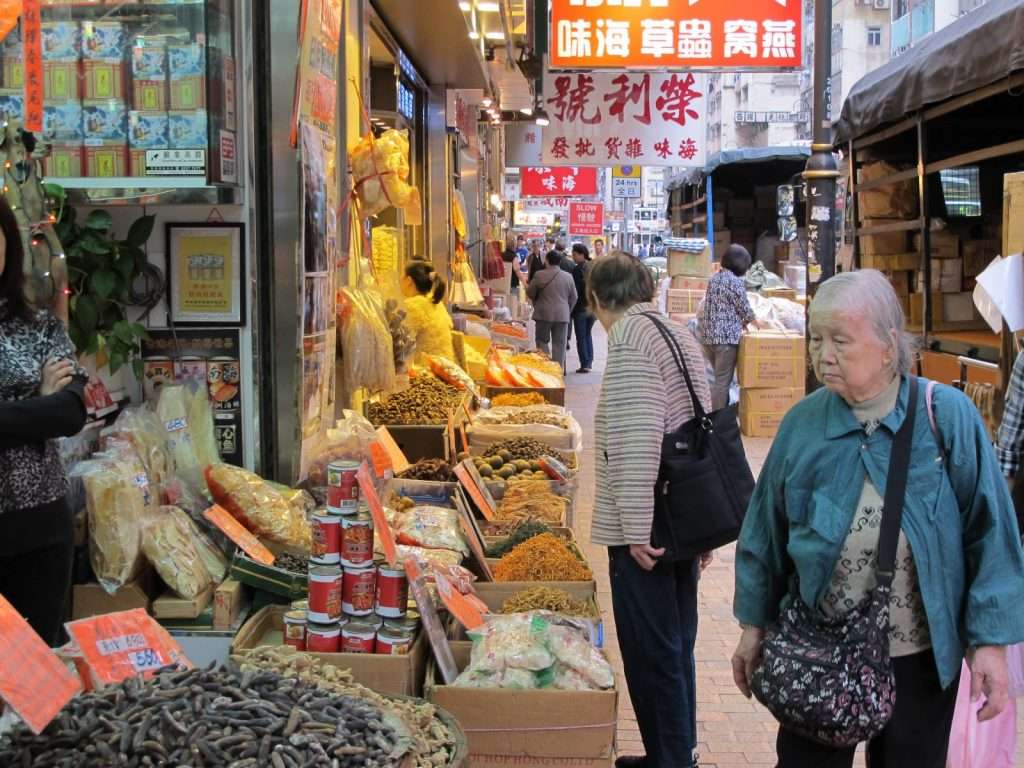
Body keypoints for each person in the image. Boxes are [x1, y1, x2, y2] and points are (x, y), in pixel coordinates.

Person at [731, 269, 1024, 768]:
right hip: (817, 651)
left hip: (919, 658)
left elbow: (990, 534)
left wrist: (989, 643)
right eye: (816, 339)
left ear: (888, 346)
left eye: (840, 340)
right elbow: (765, 533)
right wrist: (753, 625)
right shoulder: (803, 425)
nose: (823, 354)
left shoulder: (945, 418)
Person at [588, 252, 712, 768]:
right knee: (676, 643)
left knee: (652, 649)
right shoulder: (675, 332)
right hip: (681, 512)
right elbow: (700, 425)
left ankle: (672, 760)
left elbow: (637, 438)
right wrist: (700, 528)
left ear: (597, 299)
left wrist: (637, 528)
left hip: (649, 523)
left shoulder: (630, 340)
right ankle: (674, 752)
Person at [0, 196, 87, 645]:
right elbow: (50, 412)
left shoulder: (39, 325)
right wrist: (37, 402)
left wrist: (43, 407)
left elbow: (70, 411)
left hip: (42, 530)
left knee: (39, 667)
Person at [700, 245, 757, 410]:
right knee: (722, 383)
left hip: (709, 338)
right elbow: (745, 309)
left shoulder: (714, 279)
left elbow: (724, 307)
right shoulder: (734, 281)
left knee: (719, 380)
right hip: (725, 340)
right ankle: (718, 419)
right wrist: (758, 324)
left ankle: (721, 412)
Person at [526, 250, 577, 368]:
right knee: (560, 344)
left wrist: (537, 300)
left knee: (541, 340)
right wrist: (567, 310)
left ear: (547, 260)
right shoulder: (568, 277)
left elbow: (530, 292)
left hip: (543, 313)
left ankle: (545, 367)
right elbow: (574, 297)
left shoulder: (539, 275)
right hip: (562, 315)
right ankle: (558, 369)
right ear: (559, 262)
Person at [401, 260, 455, 360]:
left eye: (402, 276)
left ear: (409, 281)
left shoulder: (413, 305)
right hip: (446, 363)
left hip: (428, 367)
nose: (400, 280)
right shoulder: (436, 302)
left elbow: (399, 343)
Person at [570, 243, 596, 373]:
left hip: (580, 307)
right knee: (587, 334)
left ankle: (585, 363)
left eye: (575, 255)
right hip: (593, 308)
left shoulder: (577, 270)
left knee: (581, 336)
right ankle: (589, 362)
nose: (573, 257)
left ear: (582, 254)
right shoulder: (593, 267)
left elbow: (575, 291)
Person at [502, 235, 523, 317]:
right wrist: (524, 282)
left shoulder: (501, 255)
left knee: (504, 306)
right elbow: (517, 271)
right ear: (514, 245)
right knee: (512, 307)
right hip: (512, 285)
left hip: (503, 285)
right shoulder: (514, 257)